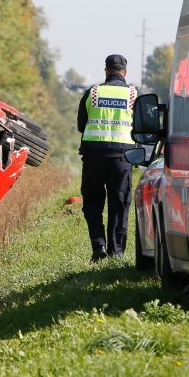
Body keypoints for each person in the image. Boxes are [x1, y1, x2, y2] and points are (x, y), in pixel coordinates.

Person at [77, 54, 138, 262]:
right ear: (125, 72)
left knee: (93, 202)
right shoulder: (134, 95)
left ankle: (99, 247)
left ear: (106, 70)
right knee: (119, 203)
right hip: (122, 158)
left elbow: (80, 126)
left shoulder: (92, 93)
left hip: (94, 157)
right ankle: (116, 252)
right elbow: (141, 128)